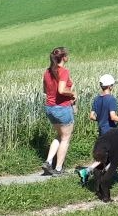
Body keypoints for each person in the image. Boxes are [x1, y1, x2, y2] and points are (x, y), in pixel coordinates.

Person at [77, 74, 118, 185]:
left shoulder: (97, 99)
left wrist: (101, 120)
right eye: (113, 85)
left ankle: (90, 171)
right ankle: (94, 172)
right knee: (114, 157)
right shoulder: (111, 99)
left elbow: (91, 116)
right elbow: (113, 116)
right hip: (111, 132)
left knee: (106, 156)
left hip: (102, 131)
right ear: (110, 86)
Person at [42, 47, 77, 176]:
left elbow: (45, 90)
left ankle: (48, 161)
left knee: (59, 135)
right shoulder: (63, 71)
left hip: (49, 108)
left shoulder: (47, 71)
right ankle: (58, 169)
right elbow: (61, 90)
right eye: (67, 55)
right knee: (66, 138)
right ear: (64, 58)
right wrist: (72, 93)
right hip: (62, 108)